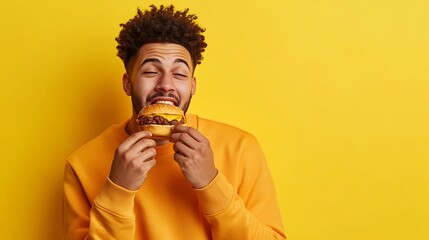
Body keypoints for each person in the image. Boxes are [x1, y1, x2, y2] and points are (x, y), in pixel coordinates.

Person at [62, 4, 286, 240]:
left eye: (179, 74)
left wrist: (211, 183)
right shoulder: (81, 164)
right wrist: (117, 190)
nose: (166, 85)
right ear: (128, 84)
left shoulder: (240, 148)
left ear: (192, 86)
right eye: (150, 72)